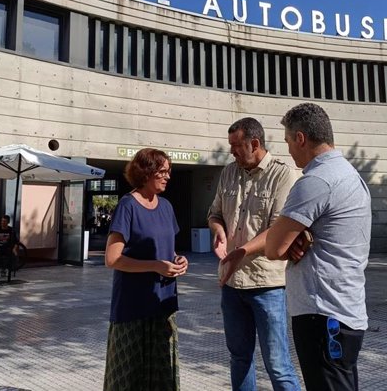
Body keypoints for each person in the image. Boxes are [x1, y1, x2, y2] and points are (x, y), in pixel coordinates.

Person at [266, 103, 372, 391]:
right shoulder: (348, 174)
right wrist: (304, 233)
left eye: (288, 141)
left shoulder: (316, 181)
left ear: (300, 138)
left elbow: (274, 248)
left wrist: (296, 232)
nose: (287, 150)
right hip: (343, 310)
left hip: (322, 315)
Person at [207, 117, 301, 391]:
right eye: (230, 146)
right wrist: (218, 231)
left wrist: (241, 252)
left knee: (278, 364)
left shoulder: (282, 175)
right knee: (239, 358)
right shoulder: (228, 172)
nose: (232, 152)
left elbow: (278, 229)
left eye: (237, 146)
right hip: (232, 283)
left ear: (255, 143)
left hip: (267, 286)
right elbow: (214, 213)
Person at [103, 148, 188, 391]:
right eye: (162, 171)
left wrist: (178, 260)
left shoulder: (167, 207)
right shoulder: (127, 206)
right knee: (127, 379)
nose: (168, 176)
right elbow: (112, 259)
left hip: (163, 304)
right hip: (132, 307)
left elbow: (166, 251)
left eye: (169, 171)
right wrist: (155, 266)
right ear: (145, 172)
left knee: (162, 379)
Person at [0, 214, 18, 280]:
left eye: (4, 221)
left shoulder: (11, 230)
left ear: (8, 222)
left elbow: (16, 242)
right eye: (2, 221)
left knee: (11, 255)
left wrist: (14, 249)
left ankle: (7, 270)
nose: (2, 223)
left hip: (8, 248)